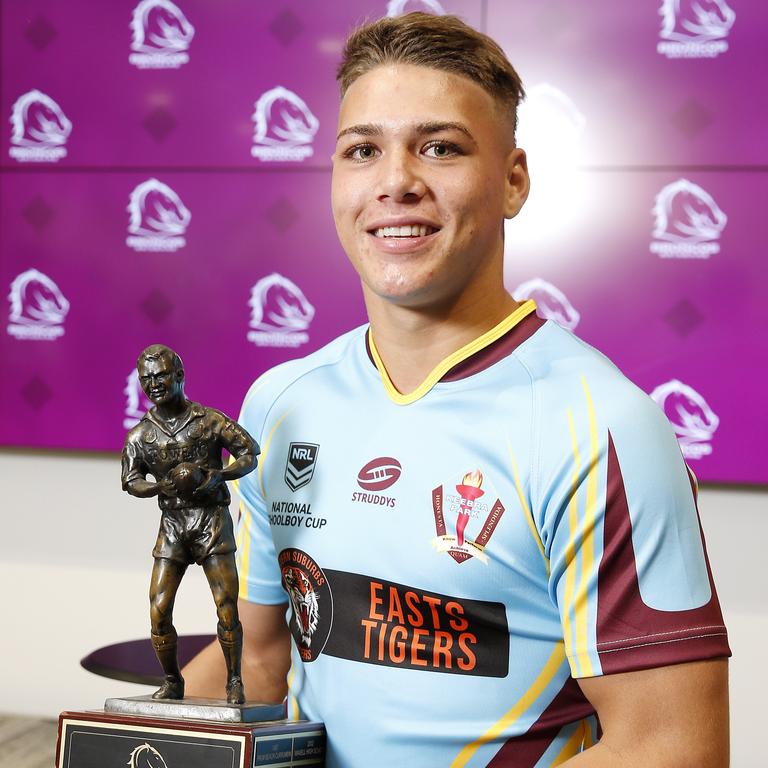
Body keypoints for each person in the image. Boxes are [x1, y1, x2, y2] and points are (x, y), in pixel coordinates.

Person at [183, 13, 730, 766]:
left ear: (513, 181)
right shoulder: (281, 403)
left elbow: (673, 748)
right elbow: (258, 663)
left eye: (439, 148)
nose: (396, 181)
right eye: (363, 150)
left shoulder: (600, 425)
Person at [121, 344, 258, 704]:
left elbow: (249, 453)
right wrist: (156, 487)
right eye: (146, 378)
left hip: (211, 520)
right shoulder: (140, 435)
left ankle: (233, 680)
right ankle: (172, 680)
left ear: (179, 376)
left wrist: (220, 475)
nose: (153, 384)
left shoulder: (209, 421)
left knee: (226, 603)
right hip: (173, 524)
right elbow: (131, 480)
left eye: (161, 376)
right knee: (159, 608)